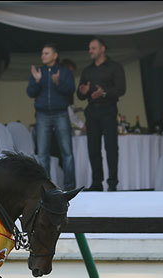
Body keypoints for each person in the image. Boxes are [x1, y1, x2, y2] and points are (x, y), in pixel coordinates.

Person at [77, 37, 126, 191]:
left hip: (108, 110)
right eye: (89, 48)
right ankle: (96, 183)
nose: (90, 51)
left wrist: (104, 93)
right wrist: (82, 91)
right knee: (93, 148)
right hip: (92, 111)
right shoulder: (87, 70)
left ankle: (112, 183)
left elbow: (121, 89)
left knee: (111, 147)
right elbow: (80, 94)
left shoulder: (115, 67)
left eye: (93, 48)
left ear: (102, 49)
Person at [26, 43, 76, 190]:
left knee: (67, 153)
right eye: (42, 53)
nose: (43, 56)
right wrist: (36, 81)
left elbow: (70, 90)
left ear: (55, 55)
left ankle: (69, 187)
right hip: (42, 115)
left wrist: (58, 82)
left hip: (61, 113)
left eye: (46, 53)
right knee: (42, 155)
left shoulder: (64, 71)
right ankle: (45, 188)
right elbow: (30, 93)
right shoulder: (38, 72)